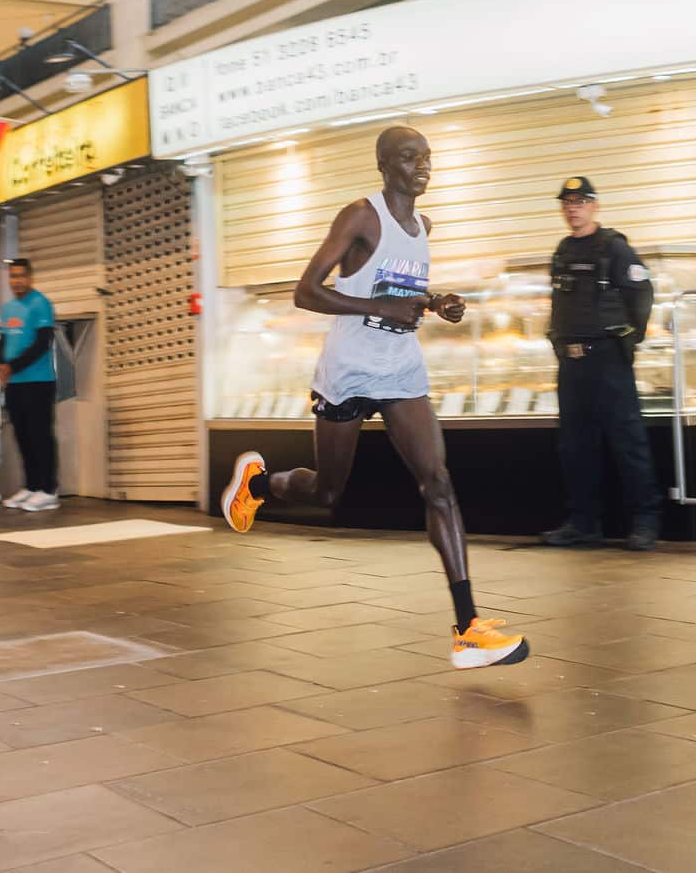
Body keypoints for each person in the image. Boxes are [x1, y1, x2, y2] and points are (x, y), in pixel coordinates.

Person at [222, 126, 529, 670]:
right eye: (410, 158)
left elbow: (398, 290)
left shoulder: (424, 226)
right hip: (347, 371)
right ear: (385, 166)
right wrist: (380, 311)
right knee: (327, 494)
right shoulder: (361, 217)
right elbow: (306, 290)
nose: (423, 166)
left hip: (400, 371)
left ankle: (468, 628)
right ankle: (259, 482)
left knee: (438, 483)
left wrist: (435, 302)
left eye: (428, 157)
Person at [541, 177, 660, 552]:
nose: (572, 207)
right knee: (575, 447)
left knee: (628, 443)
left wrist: (630, 337)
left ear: (594, 205)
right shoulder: (561, 251)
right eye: (567, 202)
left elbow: (642, 293)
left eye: (579, 201)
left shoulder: (615, 248)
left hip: (608, 360)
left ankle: (644, 523)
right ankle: (583, 524)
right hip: (572, 364)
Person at [0, 258, 60, 512]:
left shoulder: (41, 304)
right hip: (14, 383)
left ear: (30, 277)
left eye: (21, 276)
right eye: (12, 276)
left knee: (41, 436)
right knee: (23, 437)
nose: (16, 281)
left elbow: (43, 343)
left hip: (38, 382)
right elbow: (4, 342)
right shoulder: (8, 308)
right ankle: (31, 487)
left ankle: (48, 491)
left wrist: (12, 366)